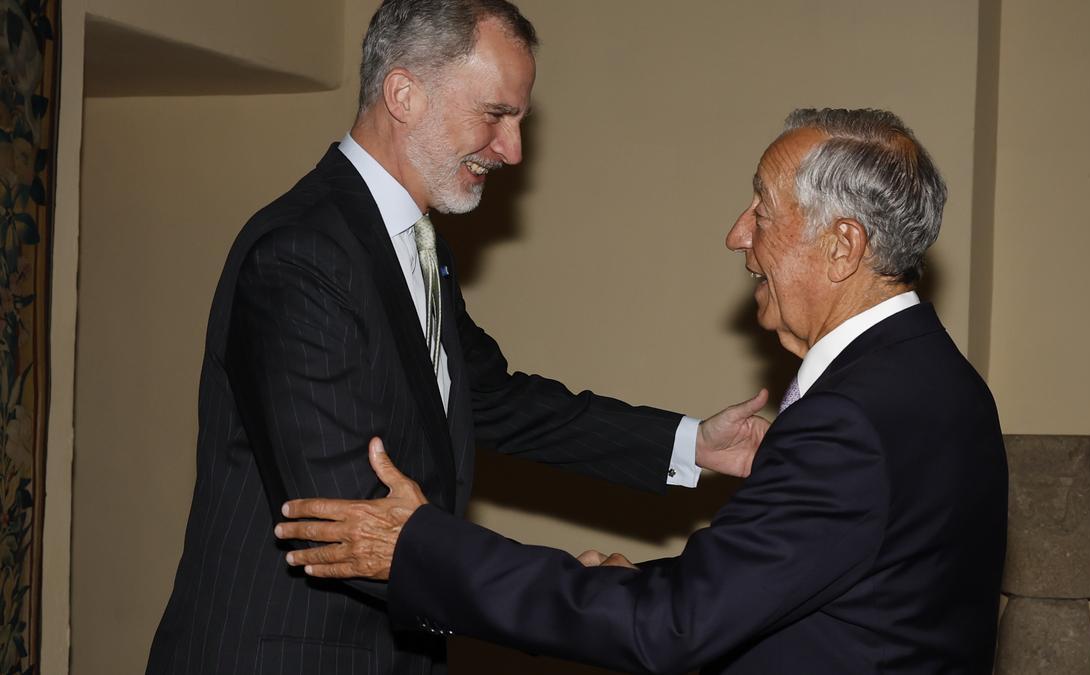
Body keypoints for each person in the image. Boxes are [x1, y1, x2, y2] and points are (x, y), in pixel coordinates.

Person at [145, 1, 767, 673]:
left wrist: (691, 444)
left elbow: (496, 402)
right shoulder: (302, 255)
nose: (514, 150)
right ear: (404, 94)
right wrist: (575, 595)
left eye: (519, 119)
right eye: (496, 115)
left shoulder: (416, 245)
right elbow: (352, 521)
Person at [276, 108, 1009, 674]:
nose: (736, 234)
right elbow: (813, 588)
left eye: (761, 207)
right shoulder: (947, 384)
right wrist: (644, 587)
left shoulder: (847, 419)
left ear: (843, 246)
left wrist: (421, 548)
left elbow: (675, 628)